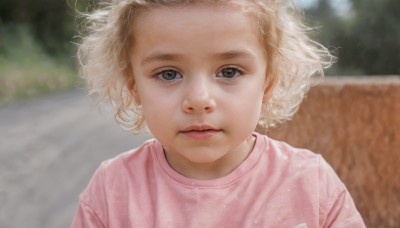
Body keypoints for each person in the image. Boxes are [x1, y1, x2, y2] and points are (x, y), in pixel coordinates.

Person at [72, 0, 365, 227]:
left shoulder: (311, 186)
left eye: (229, 71)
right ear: (133, 85)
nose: (199, 100)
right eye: (169, 73)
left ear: (268, 83)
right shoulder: (112, 193)